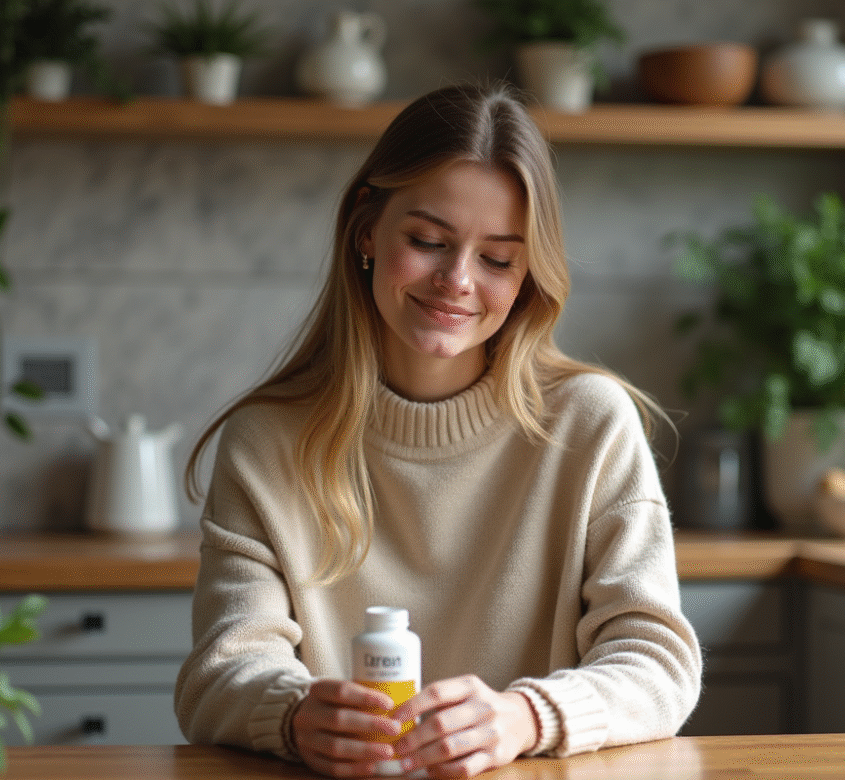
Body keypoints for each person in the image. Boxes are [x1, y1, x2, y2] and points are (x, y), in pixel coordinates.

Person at [174, 82, 702, 779]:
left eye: (498, 259)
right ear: (367, 231)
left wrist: (526, 718)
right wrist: (297, 715)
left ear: (527, 276)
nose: (457, 279)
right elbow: (220, 672)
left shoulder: (590, 422)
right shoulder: (266, 441)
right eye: (428, 241)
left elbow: (659, 664)